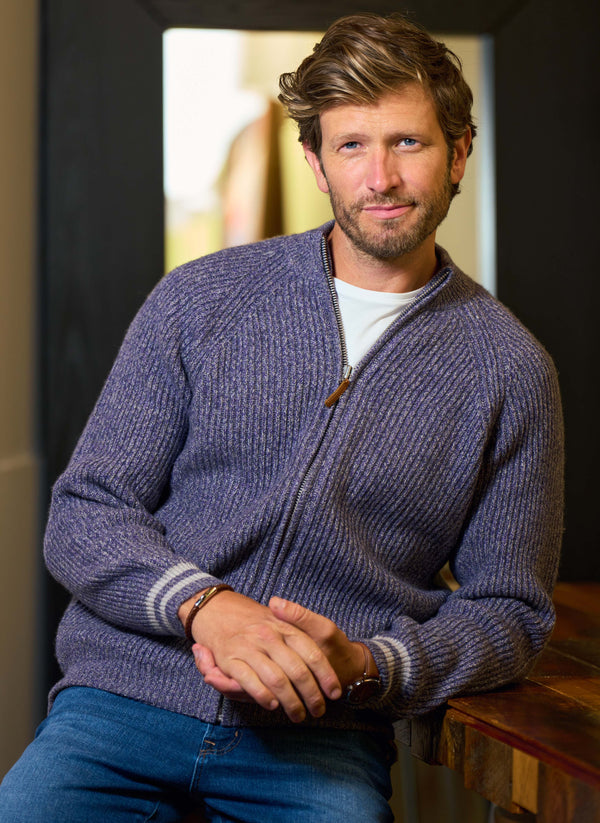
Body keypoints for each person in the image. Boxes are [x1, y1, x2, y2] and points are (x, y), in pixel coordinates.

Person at [0, 12, 563, 823]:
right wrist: (207, 604)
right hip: (120, 706)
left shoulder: (509, 369)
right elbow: (87, 509)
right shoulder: (200, 299)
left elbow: (511, 611)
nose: (382, 177)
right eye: (351, 145)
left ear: (460, 152)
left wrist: (371, 666)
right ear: (314, 159)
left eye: (408, 142)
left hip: (321, 742)